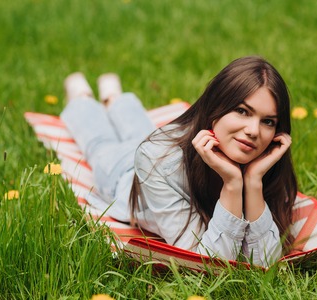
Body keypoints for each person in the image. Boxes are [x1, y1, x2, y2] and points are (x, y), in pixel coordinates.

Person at [60, 56, 298, 267]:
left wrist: (253, 182)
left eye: (268, 121)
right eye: (243, 111)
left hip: (159, 150)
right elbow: (210, 264)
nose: (254, 131)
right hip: (124, 173)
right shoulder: (157, 160)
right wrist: (234, 184)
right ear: (215, 107)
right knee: (100, 143)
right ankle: (82, 97)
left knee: (138, 131)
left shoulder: (265, 165)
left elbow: (265, 263)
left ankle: (113, 98)